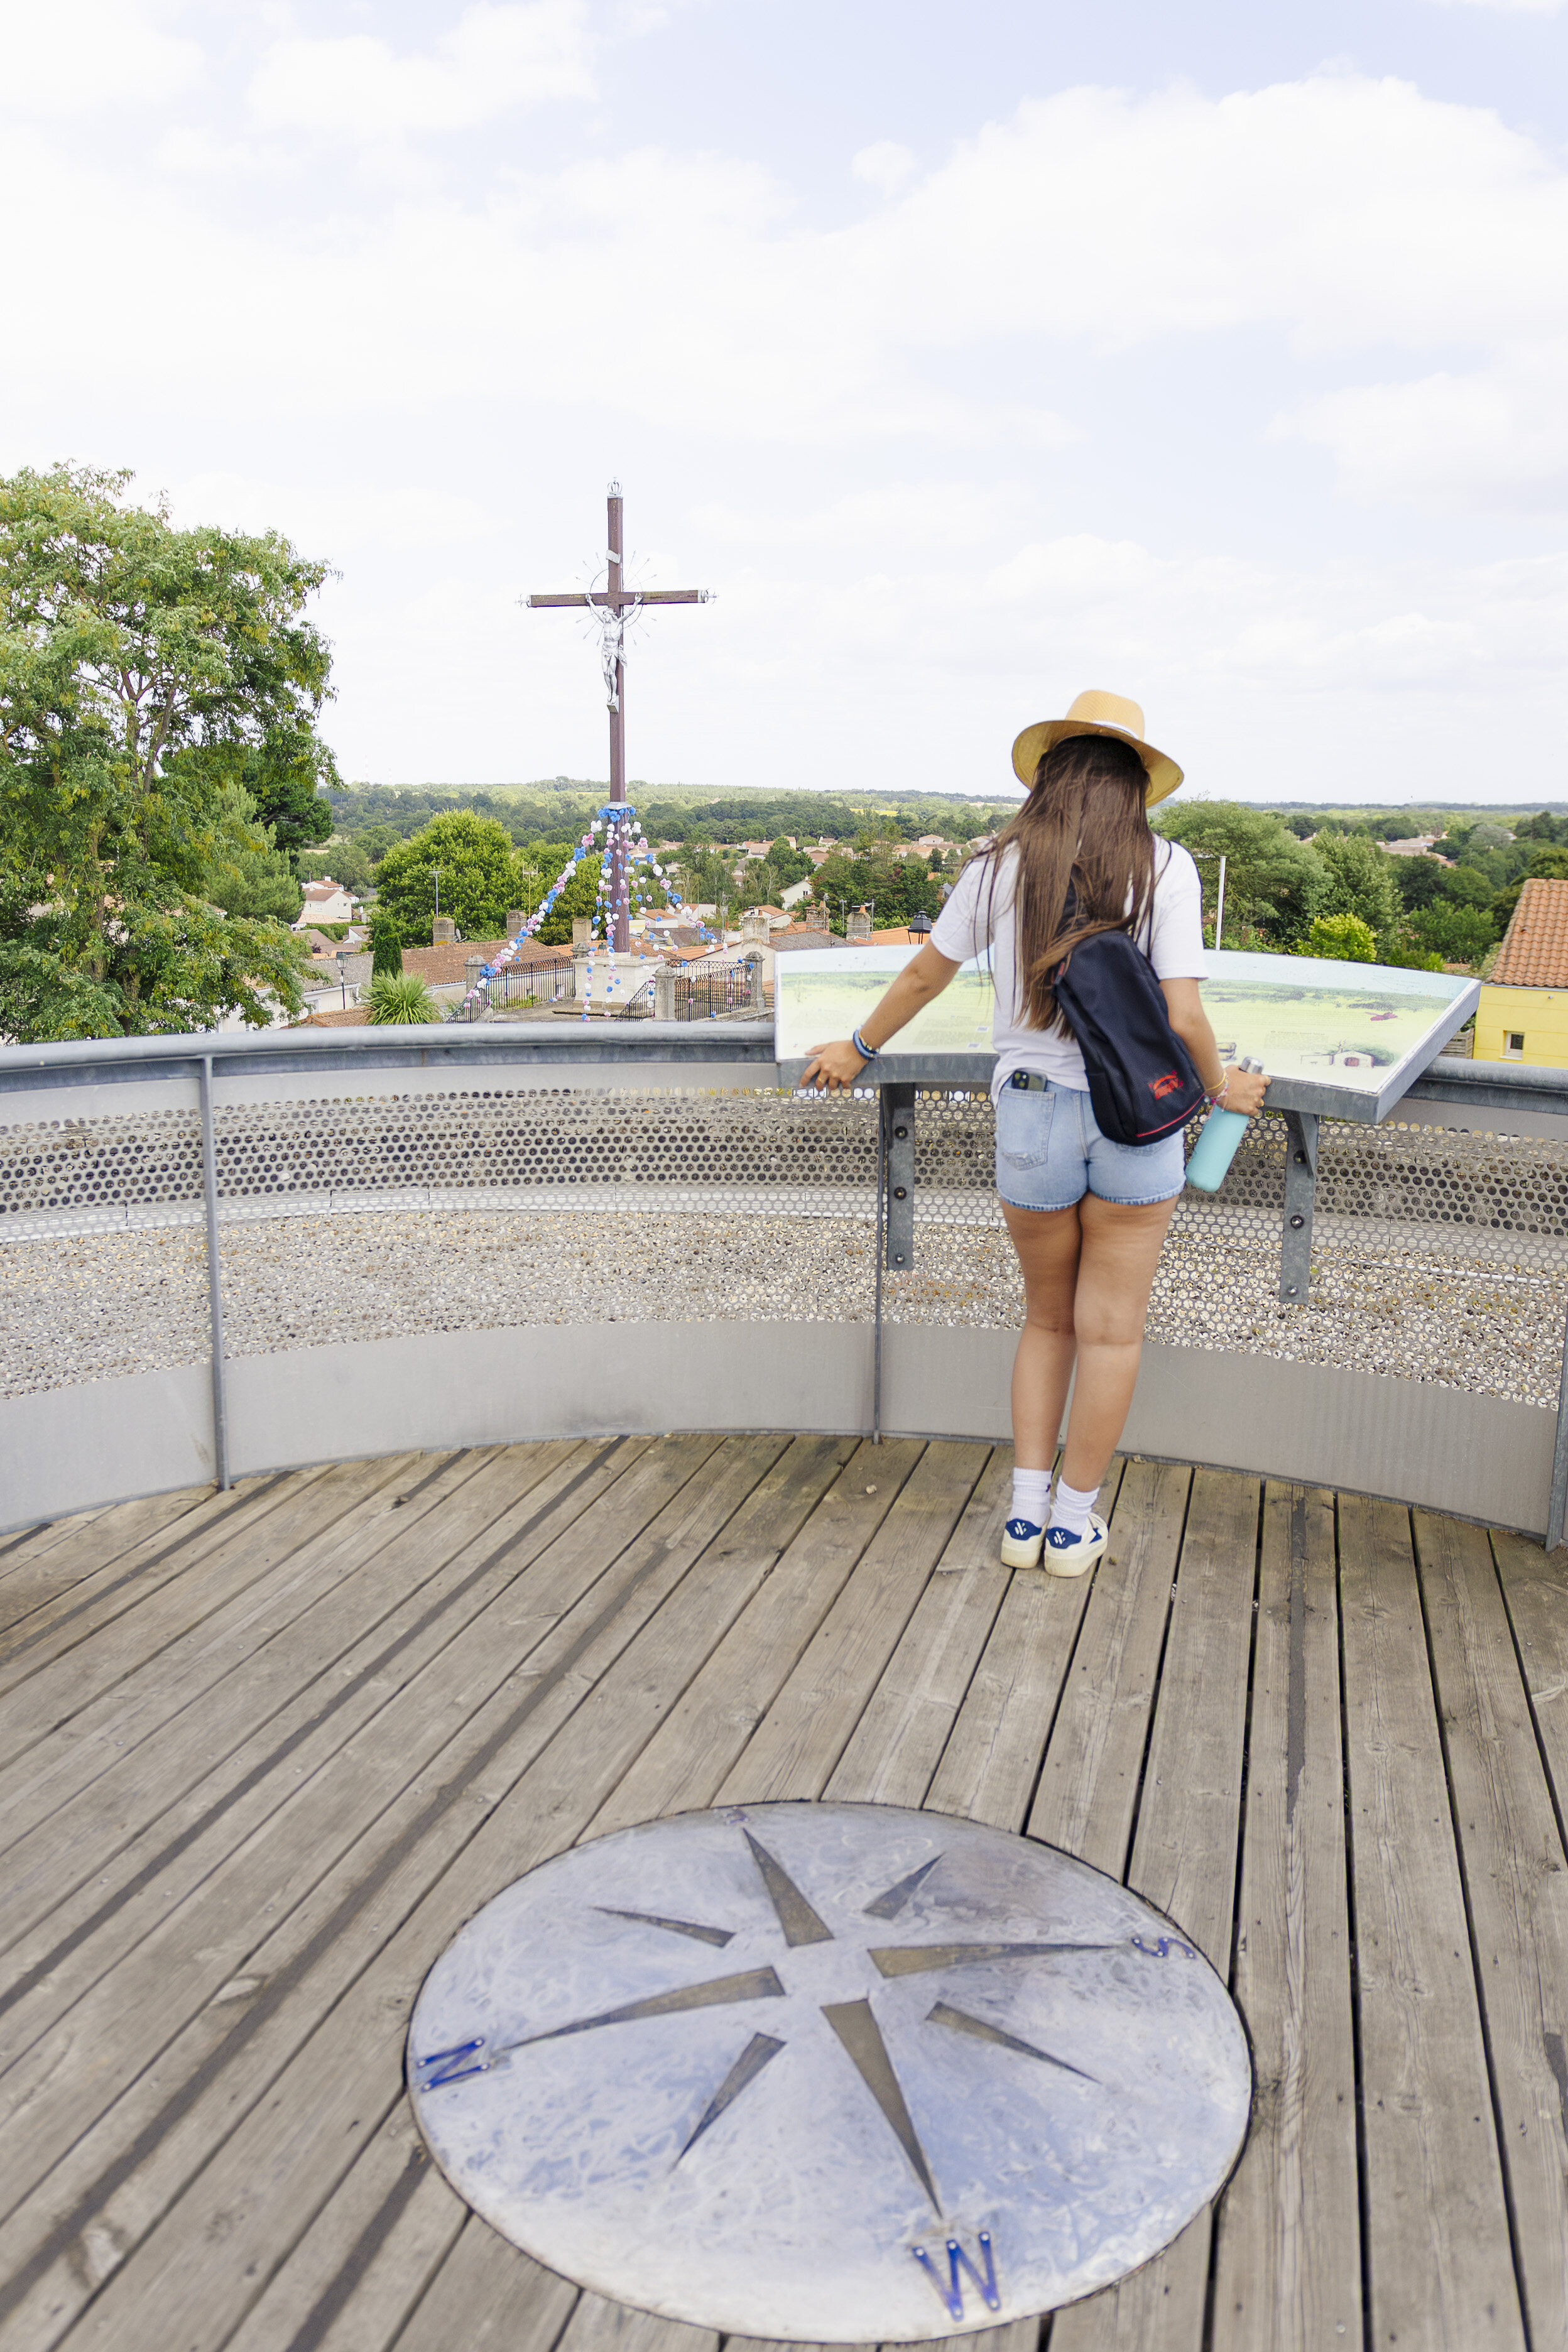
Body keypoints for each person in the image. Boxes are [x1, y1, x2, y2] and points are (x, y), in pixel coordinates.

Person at [800, 690, 1270, 1576]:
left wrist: (859, 1049)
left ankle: (1022, 1518)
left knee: (1047, 1321)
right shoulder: (1165, 868)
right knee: (1112, 1332)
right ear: (1136, 785)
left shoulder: (997, 867)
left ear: (1049, 777)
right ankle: (1073, 1525)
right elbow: (1183, 1012)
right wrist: (1224, 1089)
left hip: (1031, 1110)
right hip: (1136, 1118)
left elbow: (923, 975)